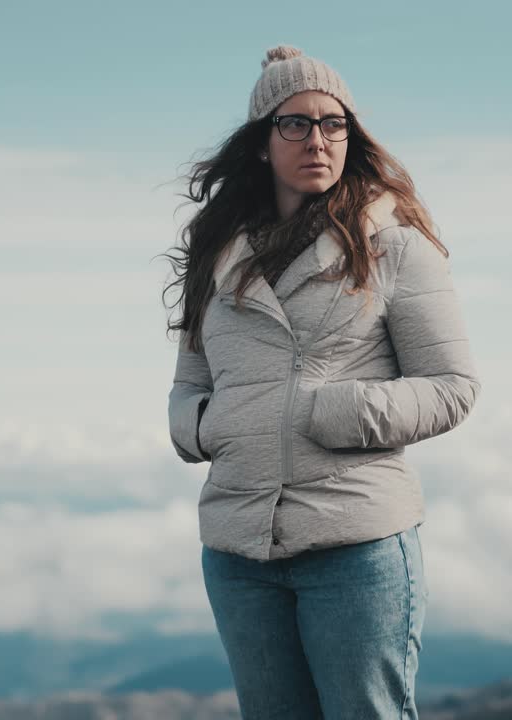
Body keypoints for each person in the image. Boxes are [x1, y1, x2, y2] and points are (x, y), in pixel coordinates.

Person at [161, 44, 480, 719]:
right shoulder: (216, 254)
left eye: (333, 123)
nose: (317, 139)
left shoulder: (393, 245)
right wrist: (203, 428)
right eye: (295, 123)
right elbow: (190, 385)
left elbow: (452, 386)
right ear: (260, 143)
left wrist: (336, 411)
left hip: (357, 546)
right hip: (238, 549)